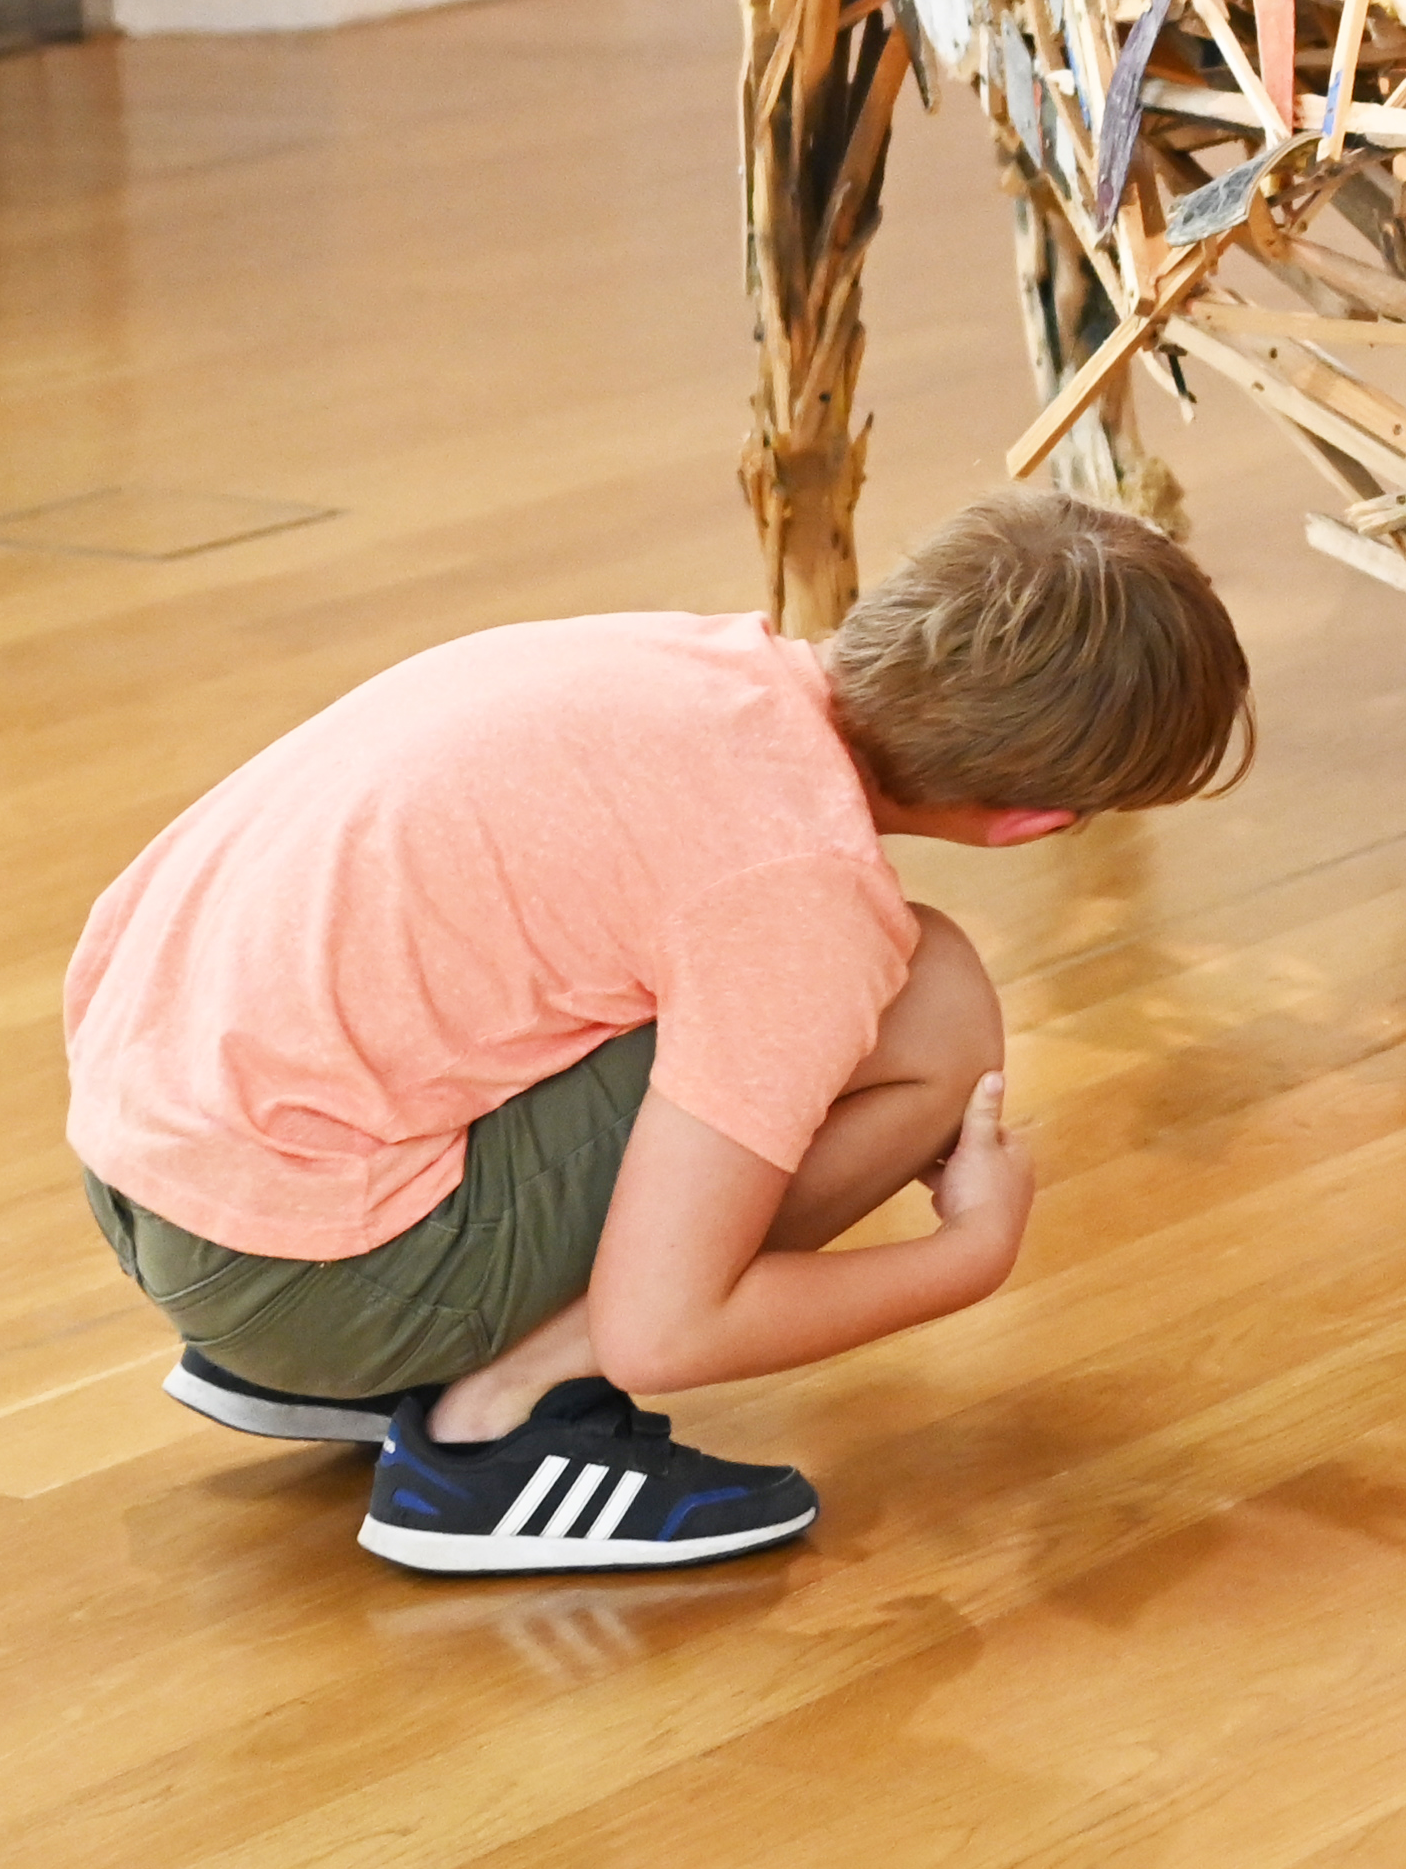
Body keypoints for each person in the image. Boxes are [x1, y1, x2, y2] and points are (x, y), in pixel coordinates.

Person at [65, 488, 1251, 1575]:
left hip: (146, 1165)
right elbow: (664, 1331)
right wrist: (967, 1256)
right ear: (1037, 822)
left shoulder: (680, 659)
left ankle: (380, 1343)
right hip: (294, 1271)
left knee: (798, 996)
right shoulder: (799, 889)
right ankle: (496, 1422)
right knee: (935, 1003)